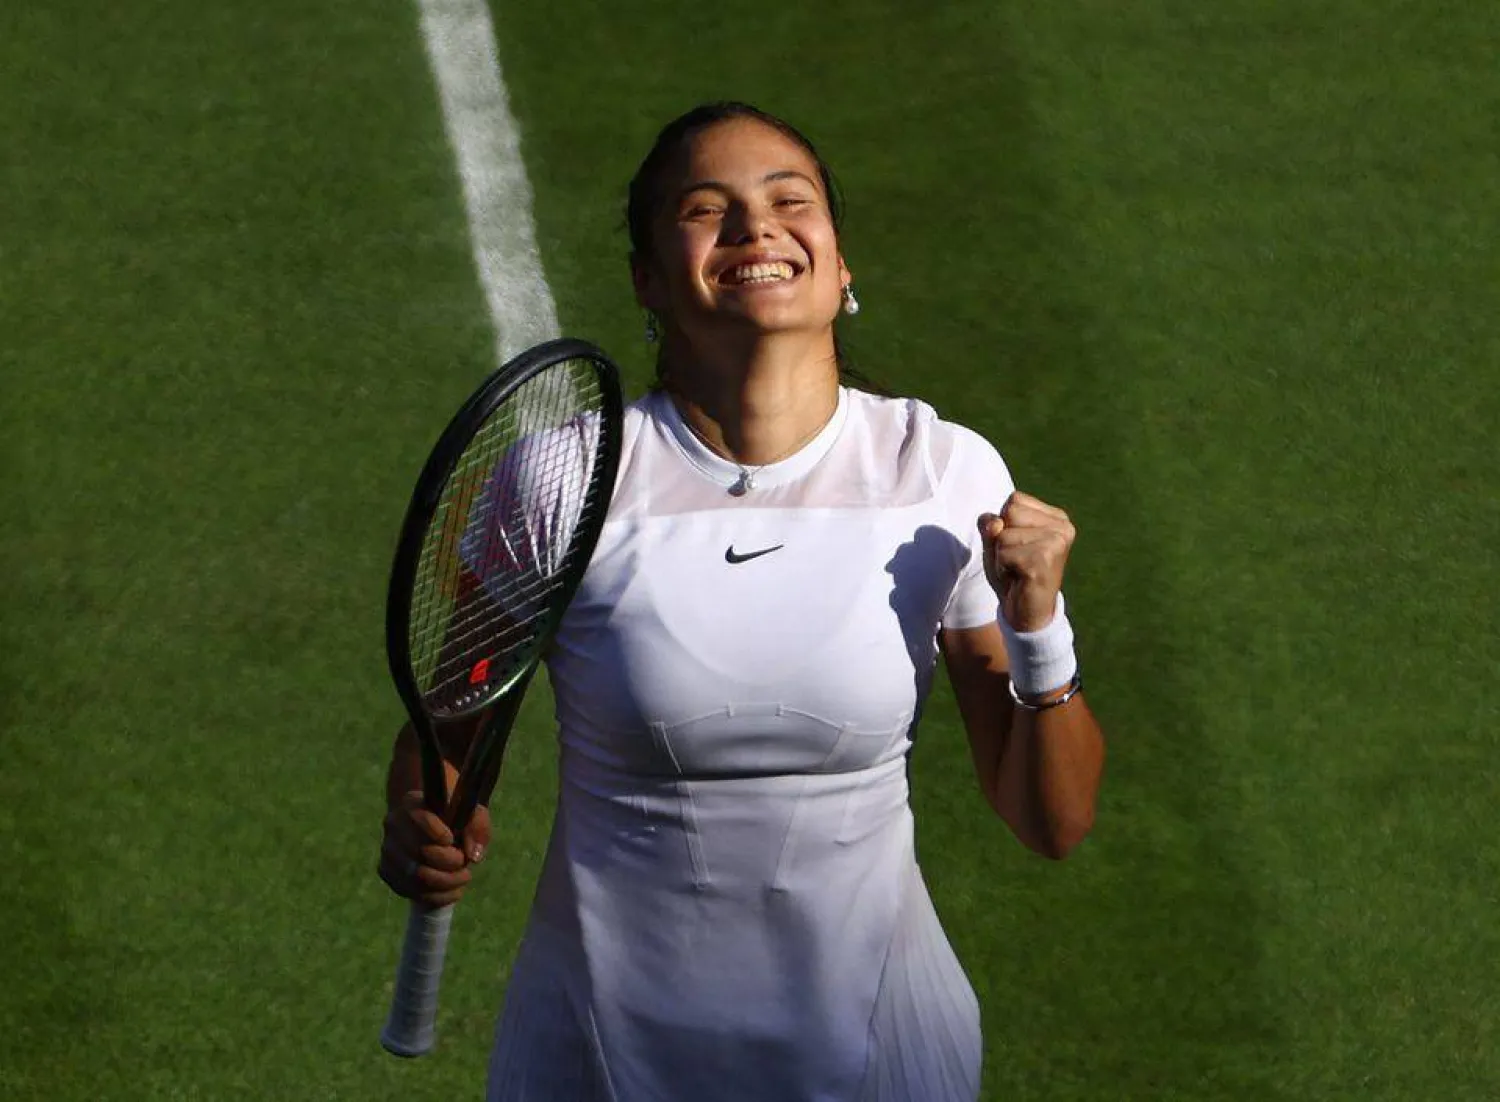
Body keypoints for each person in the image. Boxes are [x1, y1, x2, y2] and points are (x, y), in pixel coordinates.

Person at [378, 101, 1106, 1101]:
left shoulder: (941, 473)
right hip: (597, 1058)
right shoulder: (565, 479)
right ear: (646, 278)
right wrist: (421, 812)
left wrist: (1040, 628)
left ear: (841, 264)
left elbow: (1049, 818)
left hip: (882, 1059)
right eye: (706, 207)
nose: (756, 228)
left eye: (789, 201)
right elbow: (454, 719)